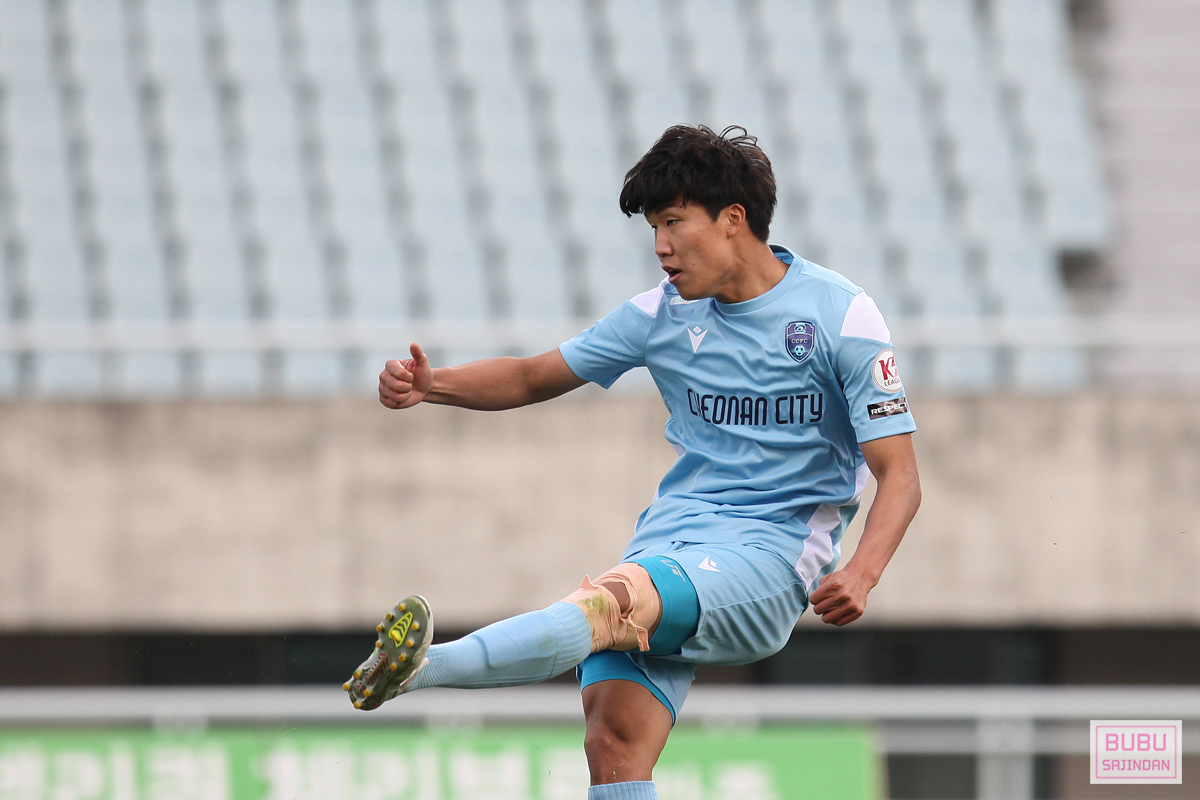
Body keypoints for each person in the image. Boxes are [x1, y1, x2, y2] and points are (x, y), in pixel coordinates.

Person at [344, 125, 921, 800]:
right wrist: (432, 385)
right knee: (613, 744)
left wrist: (862, 571)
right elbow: (532, 376)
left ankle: (421, 670)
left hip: (771, 555)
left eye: (673, 222)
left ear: (733, 219)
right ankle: (421, 673)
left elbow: (901, 474)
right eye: (654, 228)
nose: (660, 247)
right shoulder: (659, 315)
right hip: (670, 541)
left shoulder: (842, 315)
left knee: (605, 605)